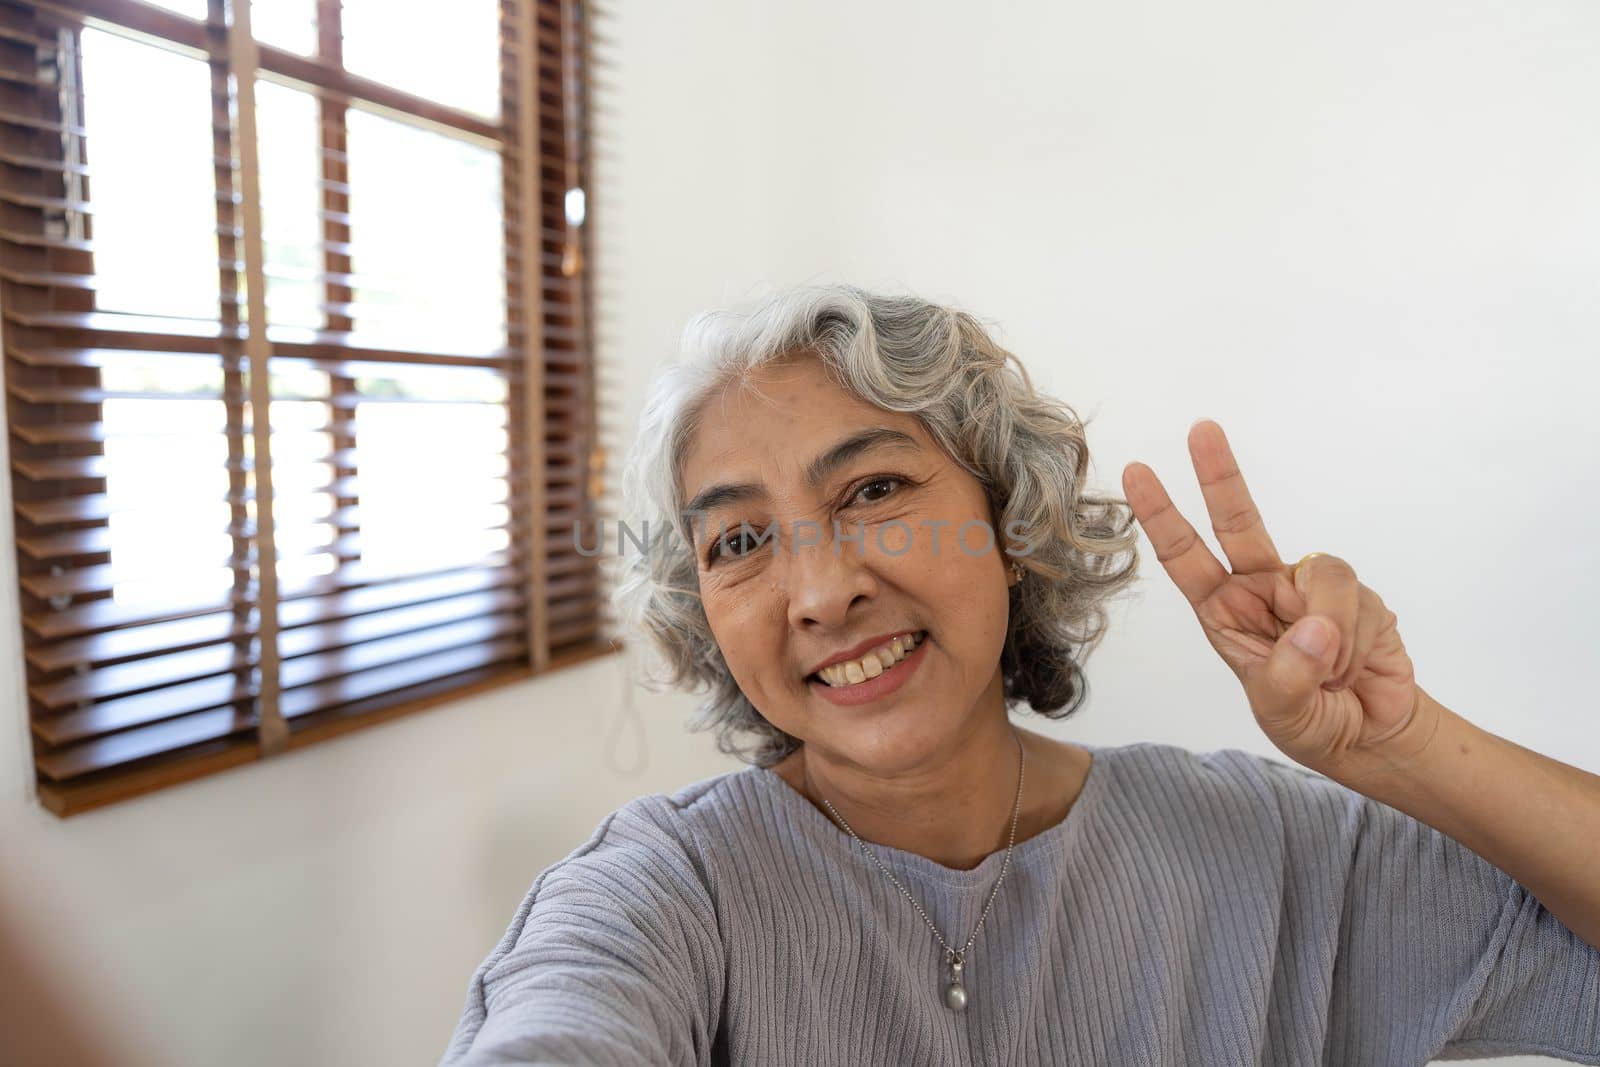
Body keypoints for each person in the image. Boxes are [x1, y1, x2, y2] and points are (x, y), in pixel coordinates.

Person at [440, 284, 1600, 1066]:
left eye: (875, 490)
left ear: (1007, 515)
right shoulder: (656, 896)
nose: (817, 589)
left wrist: (1400, 749)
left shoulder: (1265, 846)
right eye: (738, 540)